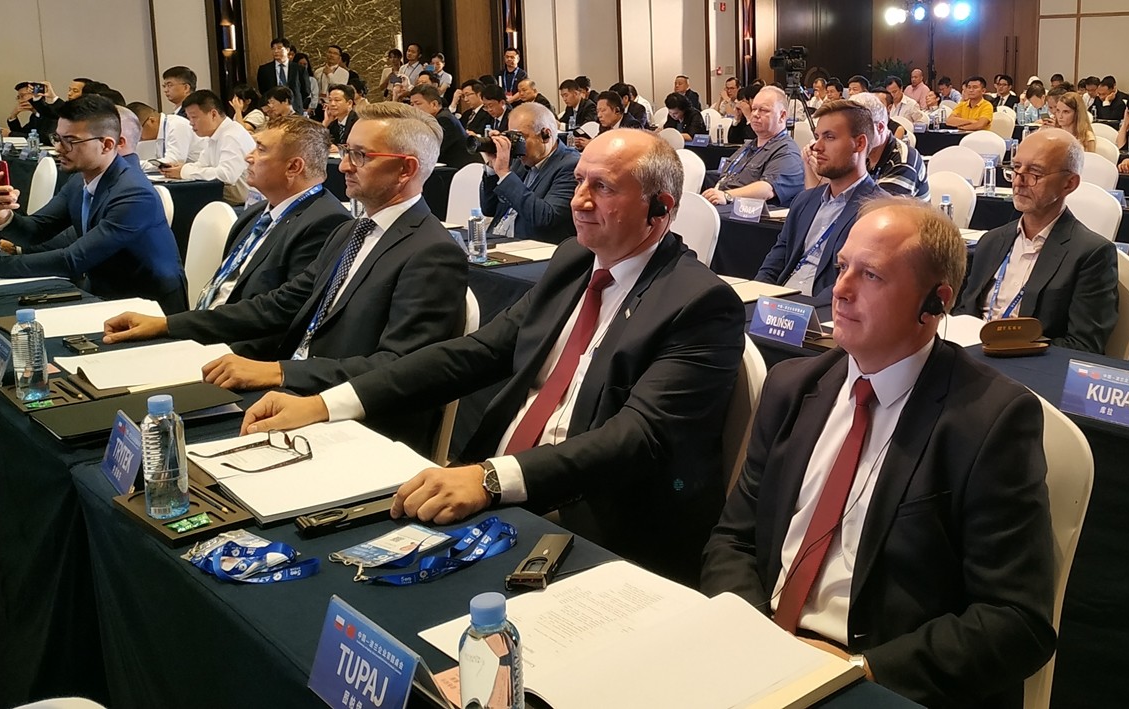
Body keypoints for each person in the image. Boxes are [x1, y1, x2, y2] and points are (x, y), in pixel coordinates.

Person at [233, 128, 744, 584]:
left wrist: (492, 479)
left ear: (660, 208)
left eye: (603, 187)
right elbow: (476, 353)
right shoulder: (574, 260)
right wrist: (327, 402)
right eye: (579, 181)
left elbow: (638, 437)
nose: (580, 200)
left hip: (595, 522)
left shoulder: (699, 303)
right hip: (496, 489)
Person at [703, 195, 1056, 709]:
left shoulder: (990, 420)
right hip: (759, 647)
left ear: (934, 302)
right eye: (843, 265)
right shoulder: (792, 386)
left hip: (874, 678)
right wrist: (755, 637)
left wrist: (860, 672)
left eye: (870, 275)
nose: (839, 289)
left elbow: (1016, 620)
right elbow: (733, 539)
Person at [103, 102, 467, 452]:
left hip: (353, 423)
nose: (343, 166)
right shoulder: (351, 232)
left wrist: (279, 372)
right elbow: (278, 305)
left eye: (360, 156)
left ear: (405, 170)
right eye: (346, 152)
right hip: (296, 394)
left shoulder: (432, 252)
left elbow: (398, 367)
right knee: (129, 416)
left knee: (163, 451)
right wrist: (167, 325)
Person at [0, 95, 186, 313]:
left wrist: (1, 266)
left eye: (70, 141)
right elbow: (36, 231)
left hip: (149, 306)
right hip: (103, 293)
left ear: (107, 145)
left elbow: (72, 260)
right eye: (57, 138)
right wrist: (5, 218)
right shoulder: (79, 180)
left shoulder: (134, 193)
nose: (59, 148)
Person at [955, 128, 1118, 354]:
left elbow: (1084, 345)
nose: (1018, 181)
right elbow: (964, 312)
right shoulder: (991, 241)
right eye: (1016, 168)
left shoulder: (1091, 254)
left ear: (1069, 183)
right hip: (972, 355)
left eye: (1034, 173)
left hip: (1030, 364)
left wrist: (1009, 350)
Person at [191, 116, 351, 312]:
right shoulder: (255, 213)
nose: (248, 157)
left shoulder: (326, 222)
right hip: (210, 318)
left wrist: (172, 324)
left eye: (261, 150)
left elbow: (281, 311)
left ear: (293, 167)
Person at [755, 100, 882, 303]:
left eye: (829, 137)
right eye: (817, 137)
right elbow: (775, 262)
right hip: (780, 305)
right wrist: (755, 298)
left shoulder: (878, 212)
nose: (817, 146)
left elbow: (856, 284)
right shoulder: (805, 201)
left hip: (827, 310)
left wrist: (804, 310)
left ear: (859, 143)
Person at [480, 103, 579, 243]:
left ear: (545, 135)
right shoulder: (520, 160)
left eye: (521, 138)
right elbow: (488, 208)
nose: (515, 145)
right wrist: (492, 167)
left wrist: (504, 174)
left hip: (530, 247)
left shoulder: (571, 166)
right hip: (497, 240)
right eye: (512, 137)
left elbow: (546, 218)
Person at [701, 86, 804, 206]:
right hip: (725, 203)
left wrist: (727, 196)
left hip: (748, 210)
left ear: (782, 116)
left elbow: (767, 189)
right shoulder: (750, 146)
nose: (755, 114)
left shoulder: (787, 151)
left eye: (763, 110)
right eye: (754, 109)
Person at [166, 90, 255, 205]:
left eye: (194, 117)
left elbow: (226, 175)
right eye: (189, 118)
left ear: (213, 114)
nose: (191, 123)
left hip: (244, 205)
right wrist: (181, 168)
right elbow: (202, 164)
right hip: (225, 200)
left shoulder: (231, 135)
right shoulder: (213, 136)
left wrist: (184, 171)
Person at [849, 93, 928, 199]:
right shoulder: (864, 153)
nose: (852, 137)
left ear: (880, 128)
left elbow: (879, 206)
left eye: (859, 130)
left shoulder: (903, 162)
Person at [407, 84, 479, 168]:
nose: (414, 108)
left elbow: (432, 151)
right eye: (412, 104)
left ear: (434, 104)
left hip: (463, 169)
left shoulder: (444, 119)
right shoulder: (436, 118)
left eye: (418, 104)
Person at [127, 101, 199, 169]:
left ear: (152, 121)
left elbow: (171, 163)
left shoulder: (176, 125)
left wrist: (134, 164)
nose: (137, 137)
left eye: (137, 131)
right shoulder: (161, 130)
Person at [256, 37, 310, 115]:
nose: (276, 51)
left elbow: (306, 90)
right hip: (273, 110)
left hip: (295, 109)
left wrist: (294, 101)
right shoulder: (264, 69)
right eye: (273, 49)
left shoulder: (299, 69)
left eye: (279, 48)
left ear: (287, 50)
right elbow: (263, 90)